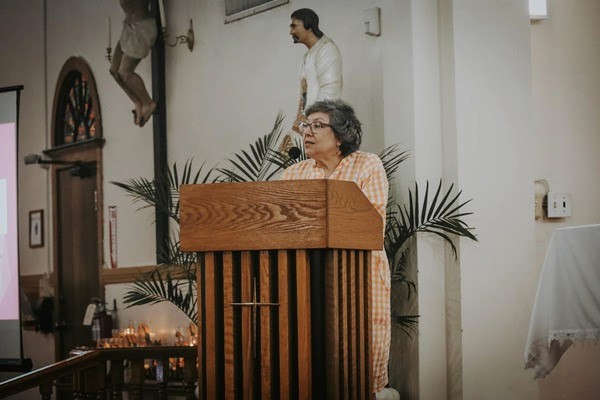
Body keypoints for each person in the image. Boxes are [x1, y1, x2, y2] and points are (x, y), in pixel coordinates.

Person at [280, 99, 391, 395]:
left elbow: (372, 223)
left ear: (341, 135)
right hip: (307, 277)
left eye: (318, 125)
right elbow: (282, 227)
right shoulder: (294, 174)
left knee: (358, 365)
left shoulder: (367, 165)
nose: (307, 132)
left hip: (360, 276)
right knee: (310, 361)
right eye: (306, 125)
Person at [288, 8, 343, 134]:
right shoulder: (307, 56)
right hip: (307, 126)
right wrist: (299, 121)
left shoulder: (327, 50)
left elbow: (330, 94)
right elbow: (304, 95)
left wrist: (308, 121)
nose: (291, 32)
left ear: (308, 26)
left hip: (321, 127)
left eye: (294, 26)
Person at [110, 0, 158, 127]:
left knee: (124, 72)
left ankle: (148, 103)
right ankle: (137, 102)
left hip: (142, 29)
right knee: (114, 71)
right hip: (128, 28)